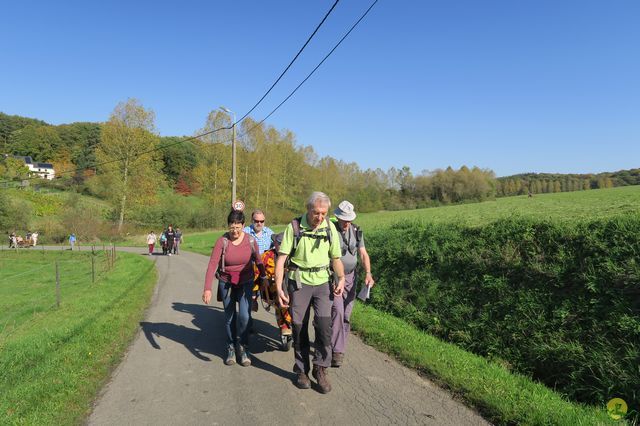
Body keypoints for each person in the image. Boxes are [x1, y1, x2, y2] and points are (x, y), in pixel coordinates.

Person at [275, 191, 345, 393]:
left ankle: (320, 369)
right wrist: (279, 287)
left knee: (324, 328)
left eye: (324, 213)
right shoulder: (294, 227)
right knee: (299, 328)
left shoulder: (329, 227)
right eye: (316, 213)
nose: (320, 217)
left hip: (323, 283)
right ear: (308, 209)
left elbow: (336, 258)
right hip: (299, 283)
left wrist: (340, 278)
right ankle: (301, 370)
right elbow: (281, 260)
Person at [202, 209, 268, 367]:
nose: (235, 231)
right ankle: (231, 347)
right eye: (232, 227)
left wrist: (264, 278)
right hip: (227, 283)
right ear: (228, 226)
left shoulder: (250, 241)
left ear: (243, 225)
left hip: (246, 282)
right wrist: (207, 288)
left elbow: (258, 261)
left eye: (238, 227)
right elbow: (212, 264)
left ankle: (244, 347)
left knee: (245, 317)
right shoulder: (222, 241)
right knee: (230, 317)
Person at [330, 200, 375, 368]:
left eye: (349, 219)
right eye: (343, 219)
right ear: (337, 217)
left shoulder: (357, 231)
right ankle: (337, 351)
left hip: (351, 278)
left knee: (347, 315)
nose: (346, 222)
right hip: (333, 278)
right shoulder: (330, 231)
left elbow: (363, 254)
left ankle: (335, 341)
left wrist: (368, 273)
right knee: (338, 313)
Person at [254, 232, 293, 346]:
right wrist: (254, 295)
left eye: (285, 243)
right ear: (275, 243)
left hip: (292, 288)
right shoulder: (267, 255)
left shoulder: (294, 255)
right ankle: (285, 325)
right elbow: (256, 272)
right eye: (279, 243)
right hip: (271, 291)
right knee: (280, 299)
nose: (282, 246)